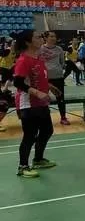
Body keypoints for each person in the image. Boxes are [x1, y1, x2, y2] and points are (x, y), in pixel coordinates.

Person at [12, 30, 60, 177]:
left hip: (41, 103)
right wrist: (37, 93)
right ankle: (22, 166)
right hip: (28, 104)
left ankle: (38, 159)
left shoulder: (38, 58)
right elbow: (18, 82)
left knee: (47, 131)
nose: (41, 39)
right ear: (28, 42)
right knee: (30, 136)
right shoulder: (23, 60)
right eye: (38, 37)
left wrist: (50, 86)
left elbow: (38, 77)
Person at [39, 31, 69, 125]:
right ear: (45, 38)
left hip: (58, 77)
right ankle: (43, 119)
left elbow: (62, 62)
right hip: (45, 78)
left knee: (60, 98)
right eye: (51, 36)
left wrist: (57, 69)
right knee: (43, 98)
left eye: (54, 36)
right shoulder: (40, 49)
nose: (53, 38)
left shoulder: (59, 49)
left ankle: (63, 117)